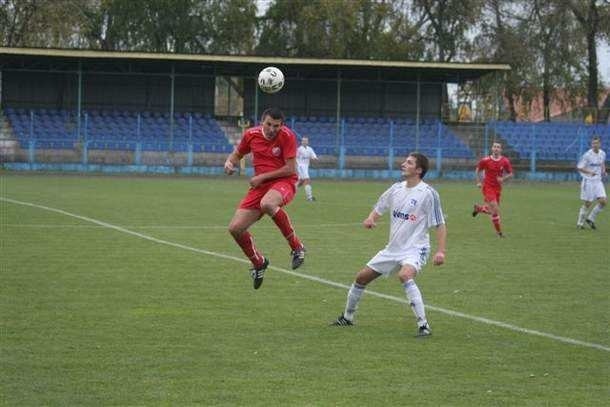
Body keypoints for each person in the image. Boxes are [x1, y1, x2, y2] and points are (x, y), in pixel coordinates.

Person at [331, 153, 447, 337]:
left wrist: (441, 251)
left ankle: (423, 325)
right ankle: (347, 317)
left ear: (418, 170)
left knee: (405, 275)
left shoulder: (428, 194)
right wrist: (371, 218)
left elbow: (440, 223)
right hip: (393, 249)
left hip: (415, 248)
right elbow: (380, 206)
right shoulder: (396, 189)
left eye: (409, 163)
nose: (403, 164)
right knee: (361, 278)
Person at [224, 107, 306, 290]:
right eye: (269, 124)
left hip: (284, 182)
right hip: (260, 187)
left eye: (276, 126)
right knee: (235, 228)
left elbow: (290, 169)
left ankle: (297, 247)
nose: (272, 129)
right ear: (262, 122)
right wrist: (230, 163)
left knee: (268, 203)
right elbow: (238, 154)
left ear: (281, 125)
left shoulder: (287, 136)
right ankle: (258, 262)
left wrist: (261, 177)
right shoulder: (251, 134)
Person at [472, 141, 513, 237]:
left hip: (497, 189)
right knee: (495, 209)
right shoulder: (485, 160)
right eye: (494, 146)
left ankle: (480, 209)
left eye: (498, 147)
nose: (496, 148)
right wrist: (478, 182)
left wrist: (503, 179)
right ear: (492, 148)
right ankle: (499, 233)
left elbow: (511, 173)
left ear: (501, 150)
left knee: (492, 211)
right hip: (488, 187)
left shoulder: (505, 161)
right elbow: (478, 170)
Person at [576, 136, 607, 229]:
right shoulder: (587, 155)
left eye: (597, 143)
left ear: (600, 144)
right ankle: (580, 223)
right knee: (588, 203)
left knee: (603, 201)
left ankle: (590, 219)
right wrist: (590, 172)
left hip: (598, 181)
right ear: (591, 144)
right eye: (593, 143)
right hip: (588, 181)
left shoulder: (602, 153)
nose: (595, 145)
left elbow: (602, 163)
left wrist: (604, 170)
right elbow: (579, 167)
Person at [296, 136, 319, 201]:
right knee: (307, 180)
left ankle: (290, 191)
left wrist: (315, 158)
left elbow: (313, 156)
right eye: (303, 141)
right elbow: (295, 158)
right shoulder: (299, 149)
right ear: (301, 142)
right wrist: (296, 166)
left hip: (306, 167)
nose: (304, 142)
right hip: (300, 166)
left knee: (300, 182)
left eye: (306, 141)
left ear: (308, 142)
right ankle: (309, 197)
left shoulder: (310, 149)